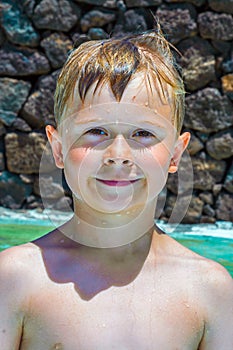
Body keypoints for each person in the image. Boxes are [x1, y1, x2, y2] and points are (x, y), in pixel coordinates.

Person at [0, 27, 233, 350]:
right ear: (58, 148)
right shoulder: (15, 279)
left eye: (143, 134)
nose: (119, 156)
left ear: (176, 154)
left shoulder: (210, 292)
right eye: (96, 131)